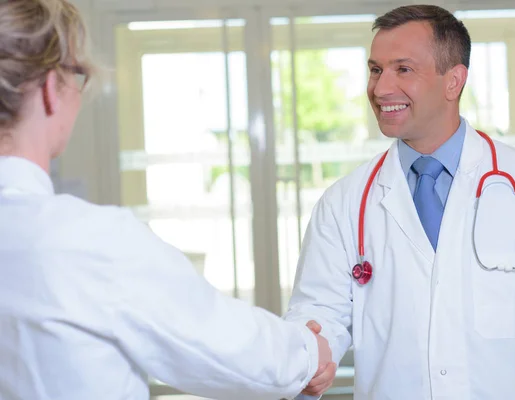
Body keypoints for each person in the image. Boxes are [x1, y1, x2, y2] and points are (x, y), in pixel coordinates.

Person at [0, 0, 335, 399]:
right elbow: (232, 348)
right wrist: (309, 351)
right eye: (78, 76)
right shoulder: (87, 242)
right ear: (52, 88)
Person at [285, 4, 515, 399]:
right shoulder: (343, 203)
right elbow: (319, 314)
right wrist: (311, 354)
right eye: (375, 69)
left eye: (403, 69)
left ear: (453, 82)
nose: (381, 89)